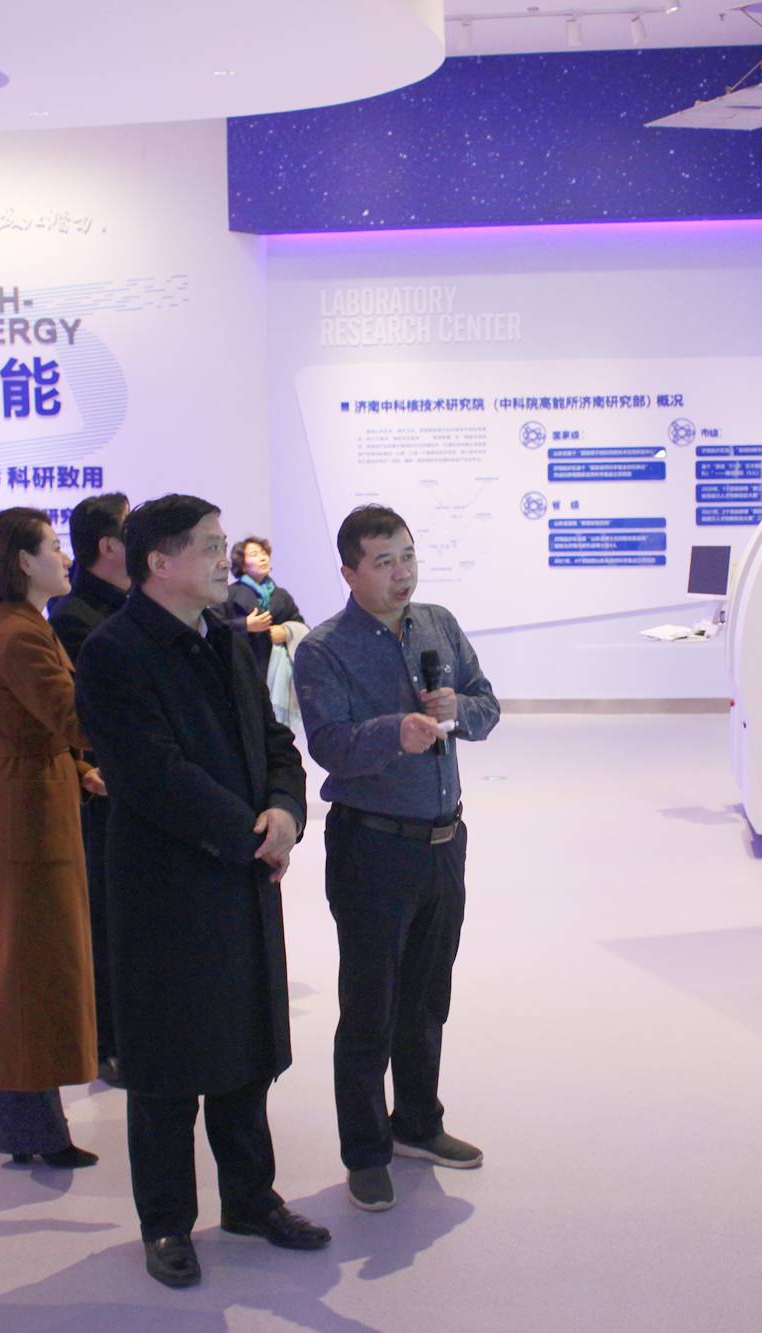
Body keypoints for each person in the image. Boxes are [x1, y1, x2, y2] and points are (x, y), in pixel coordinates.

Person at [76, 494, 328, 1290]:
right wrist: (253, 833)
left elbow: (276, 739)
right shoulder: (114, 651)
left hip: (242, 875)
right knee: (166, 1068)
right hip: (166, 886)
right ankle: (166, 1222)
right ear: (159, 562)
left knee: (245, 1051)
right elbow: (150, 775)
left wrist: (285, 810)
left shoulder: (222, 636)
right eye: (212, 546)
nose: (228, 558)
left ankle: (251, 1199)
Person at [293, 503, 501, 1213]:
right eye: (383, 562)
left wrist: (456, 710)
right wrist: (395, 733)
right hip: (373, 845)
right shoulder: (324, 649)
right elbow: (330, 745)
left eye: (407, 556)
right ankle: (365, 1150)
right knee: (371, 1005)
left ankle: (417, 1122)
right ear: (349, 572)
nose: (401, 573)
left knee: (427, 997)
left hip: (445, 842)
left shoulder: (438, 623)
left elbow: (487, 705)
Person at [0, 507, 105, 1169]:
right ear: (23, 560)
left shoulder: (15, 624)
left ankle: (14, 1109)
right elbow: (72, 715)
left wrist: (76, 764)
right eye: (52, 547)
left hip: (28, 799)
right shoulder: (18, 632)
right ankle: (30, 1124)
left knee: (20, 959)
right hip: (27, 813)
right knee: (30, 965)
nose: (64, 557)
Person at [49, 492, 130, 1084]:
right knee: (104, 918)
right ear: (108, 545)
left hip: (128, 788)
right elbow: (90, 716)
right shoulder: (75, 618)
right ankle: (106, 1042)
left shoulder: (128, 607)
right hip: (101, 790)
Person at [219, 536, 308, 727]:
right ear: (242, 564)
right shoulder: (229, 593)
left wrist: (286, 631)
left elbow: (301, 625)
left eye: (264, 553)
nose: (262, 557)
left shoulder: (281, 595)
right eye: (254, 554)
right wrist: (245, 625)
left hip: (278, 672)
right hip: (242, 670)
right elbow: (213, 626)